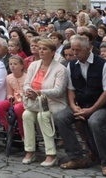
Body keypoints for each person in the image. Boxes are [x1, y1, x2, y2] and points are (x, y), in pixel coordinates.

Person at [54, 35, 106, 177]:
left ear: (89, 49)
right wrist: (73, 105)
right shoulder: (71, 65)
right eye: (73, 50)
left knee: (94, 121)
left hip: (103, 106)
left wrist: (91, 110)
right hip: (81, 105)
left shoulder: (104, 65)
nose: (75, 53)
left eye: (78, 50)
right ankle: (76, 157)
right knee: (61, 117)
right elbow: (70, 89)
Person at [21, 38, 68, 167]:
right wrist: (28, 91)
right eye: (40, 48)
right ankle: (30, 150)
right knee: (26, 115)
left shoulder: (60, 69)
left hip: (54, 103)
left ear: (53, 52)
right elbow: (26, 83)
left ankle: (51, 154)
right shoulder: (33, 65)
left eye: (44, 49)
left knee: (43, 116)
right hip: (35, 102)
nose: (41, 51)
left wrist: (39, 92)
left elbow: (58, 91)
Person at [0, 55, 26, 141]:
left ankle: (22, 133)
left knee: (18, 108)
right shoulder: (8, 77)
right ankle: (9, 128)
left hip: (24, 100)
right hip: (14, 100)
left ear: (22, 66)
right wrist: (10, 97)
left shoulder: (27, 77)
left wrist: (19, 100)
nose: (12, 66)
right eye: (11, 64)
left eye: (15, 64)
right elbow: (9, 93)